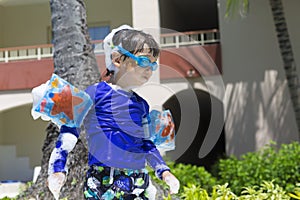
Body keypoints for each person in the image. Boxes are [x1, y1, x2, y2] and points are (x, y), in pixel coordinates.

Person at [47, 25, 180, 200]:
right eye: (144, 61)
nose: (149, 70)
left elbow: (146, 143)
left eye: (153, 65)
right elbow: (70, 132)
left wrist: (164, 171)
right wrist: (57, 169)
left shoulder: (141, 105)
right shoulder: (94, 94)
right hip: (102, 179)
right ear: (117, 60)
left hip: (138, 180)